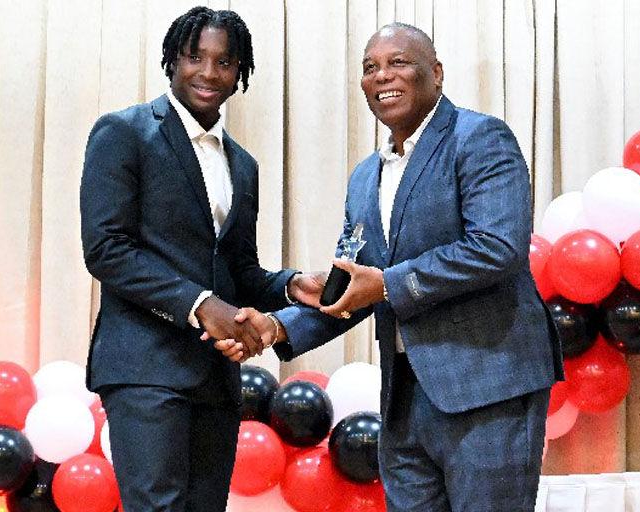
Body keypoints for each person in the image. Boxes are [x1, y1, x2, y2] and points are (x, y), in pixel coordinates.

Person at [216, 22, 564, 512]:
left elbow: (496, 247)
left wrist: (386, 284)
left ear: (436, 73)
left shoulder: (480, 138)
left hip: (488, 388)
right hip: (403, 397)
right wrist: (275, 327)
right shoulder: (365, 178)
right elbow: (353, 287)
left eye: (398, 62)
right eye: (369, 68)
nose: (382, 76)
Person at [79, 7, 322, 512]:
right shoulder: (123, 133)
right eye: (195, 57)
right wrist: (199, 303)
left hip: (215, 375)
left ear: (240, 72)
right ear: (172, 60)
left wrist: (291, 285)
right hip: (144, 367)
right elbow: (106, 249)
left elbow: (239, 269)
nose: (209, 73)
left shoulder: (243, 164)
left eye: (225, 62)